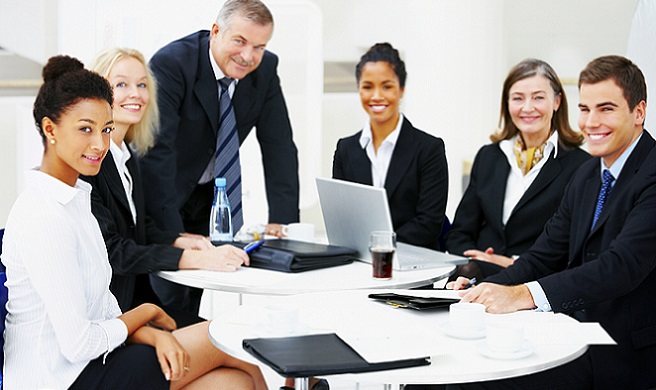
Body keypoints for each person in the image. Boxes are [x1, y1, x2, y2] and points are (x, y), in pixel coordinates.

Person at [0, 55, 267, 389]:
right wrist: (146, 314)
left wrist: (152, 336)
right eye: (85, 129)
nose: (99, 144)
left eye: (106, 129)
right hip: (62, 377)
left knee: (233, 383)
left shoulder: (77, 201)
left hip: (95, 359)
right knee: (229, 335)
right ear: (50, 129)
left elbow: (104, 309)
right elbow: (78, 343)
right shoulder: (43, 215)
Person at [449, 55, 656, 389]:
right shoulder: (589, 172)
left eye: (606, 109)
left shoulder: (651, 173)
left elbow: (620, 266)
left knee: (480, 383)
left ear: (639, 112)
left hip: (625, 352)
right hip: (568, 331)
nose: (591, 122)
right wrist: (486, 290)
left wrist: (521, 295)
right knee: (454, 372)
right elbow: (545, 254)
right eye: (585, 109)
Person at [140, 0, 299, 311]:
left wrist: (284, 224)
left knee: (200, 290)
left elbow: (279, 146)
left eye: (259, 46)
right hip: (163, 193)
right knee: (168, 292)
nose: (248, 56)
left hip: (209, 194)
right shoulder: (172, 64)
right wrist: (173, 235)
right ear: (216, 32)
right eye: (239, 41)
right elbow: (157, 153)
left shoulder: (264, 70)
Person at [79, 47, 249, 325]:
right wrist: (192, 259)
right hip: (109, 317)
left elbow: (137, 227)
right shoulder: (91, 163)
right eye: (121, 84)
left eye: (142, 84)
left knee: (227, 334)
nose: (136, 93)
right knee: (223, 338)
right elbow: (114, 252)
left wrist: (180, 239)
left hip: (138, 305)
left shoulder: (126, 156)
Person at [446, 59, 590, 280]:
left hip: (535, 284)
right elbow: (460, 232)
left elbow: (573, 249)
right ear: (507, 104)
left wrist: (512, 263)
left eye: (538, 97)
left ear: (557, 101)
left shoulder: (581, 166)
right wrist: (476, 259)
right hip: (474, 276)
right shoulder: (489, 156)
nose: (527, 107)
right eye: (518, 98)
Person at [332, 42, 448, 249]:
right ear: (358, 89)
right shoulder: (346, 149)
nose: (377, 96)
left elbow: (429, 223)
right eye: (368, 87)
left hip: (414, 263)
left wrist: (381, 246)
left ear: (401, 89)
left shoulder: (429, 149)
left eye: (387, 86)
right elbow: (343, 219)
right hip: (361, 263)